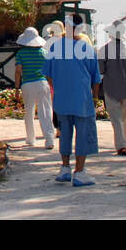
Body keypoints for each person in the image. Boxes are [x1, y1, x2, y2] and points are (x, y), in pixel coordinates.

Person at [43, 15, 101, 186]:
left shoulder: (54, 47)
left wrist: (59, 89)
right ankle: (80, 172)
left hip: (62, 99)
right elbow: (95, 77)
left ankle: (65, 168)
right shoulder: (86, 48)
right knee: (82, 135)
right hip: (82, 99)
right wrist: (95, 97)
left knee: (65, 134)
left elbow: (48, 74)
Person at [97, 21, 126, 155]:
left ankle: (121, 146)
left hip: (111, 87)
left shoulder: (103, 50)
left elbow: (101, 70)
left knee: (116, 119)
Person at [14, 27, 54, 149]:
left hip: (27, 84)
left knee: (29, 111)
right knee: (46, 111)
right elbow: (49, 72)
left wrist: (16, 88)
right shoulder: (43, 52)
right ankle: (49, 139)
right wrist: (51, 86)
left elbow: (18, 71)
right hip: (42, 83)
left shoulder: (20, 53)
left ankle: (31, 139)